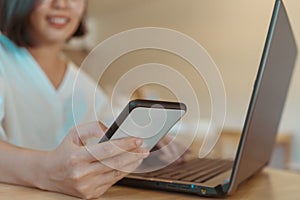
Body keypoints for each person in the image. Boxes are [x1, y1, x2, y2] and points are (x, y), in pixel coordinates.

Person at [0, 0, 151, 199]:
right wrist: (46, 171)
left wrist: (140, 144)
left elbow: (106, 137)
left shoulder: (85, 87)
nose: (61, 4)